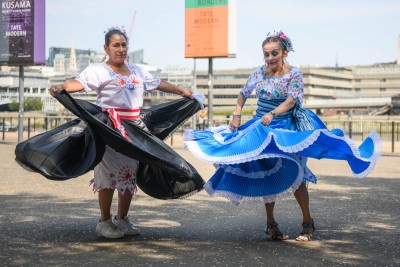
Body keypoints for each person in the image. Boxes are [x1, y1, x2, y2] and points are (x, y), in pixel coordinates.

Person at [184, 31, 381, 241]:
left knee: (298, 173)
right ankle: (271, 225)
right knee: (268, 171)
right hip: (261, 129)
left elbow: (292, 99)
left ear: (284, 53)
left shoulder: (294, 74)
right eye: (266, 54)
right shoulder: (259, 73)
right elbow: (243, 94)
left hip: (287, 130)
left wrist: (273, 113)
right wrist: (237, 114)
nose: (270, 58)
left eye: (274, 53)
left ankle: (307, 223)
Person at [50, 26, 193, 239]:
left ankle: (122, 219)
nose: (121, 49)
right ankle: (104, 221)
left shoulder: (137, 70)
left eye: (124, 45)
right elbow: (79, 84)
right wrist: (62, 86)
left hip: (134, 130)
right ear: (106, 48)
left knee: (129, 174)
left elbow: (157, 83)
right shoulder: (98, 71)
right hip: (109, 130)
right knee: (107, 175)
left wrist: (182, 91)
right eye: (116, 45)